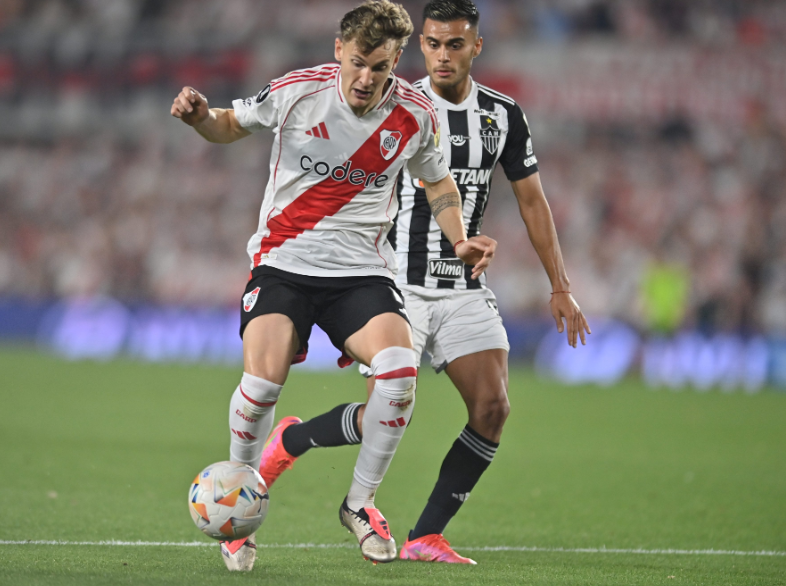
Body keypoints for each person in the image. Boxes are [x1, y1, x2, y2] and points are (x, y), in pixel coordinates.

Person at [257, 0, 591, 565]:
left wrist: (559, 284)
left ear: (475, 47)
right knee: (384, 415)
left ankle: (425, 535)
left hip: (462, 286)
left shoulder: (503, 116)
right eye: (432, 43)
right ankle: (291, 440)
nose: (441, 54)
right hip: (394, 283)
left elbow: (531, 199)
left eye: (454, 44)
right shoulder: (396, 103)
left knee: (493, 408)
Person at [170, 0, 496, 571]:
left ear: (397, 61)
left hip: (361, 272)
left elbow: (439, 182)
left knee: (398, 373)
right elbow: (228, 124)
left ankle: (361, 503)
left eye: (382, 67)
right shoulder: (298, 92)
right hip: (283, 263)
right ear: (339, 52)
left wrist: (459, 237)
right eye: (359, 64)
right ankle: (239, 505)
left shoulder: (414, 112)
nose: (367, 79)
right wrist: (200, 116)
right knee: (262, 383)